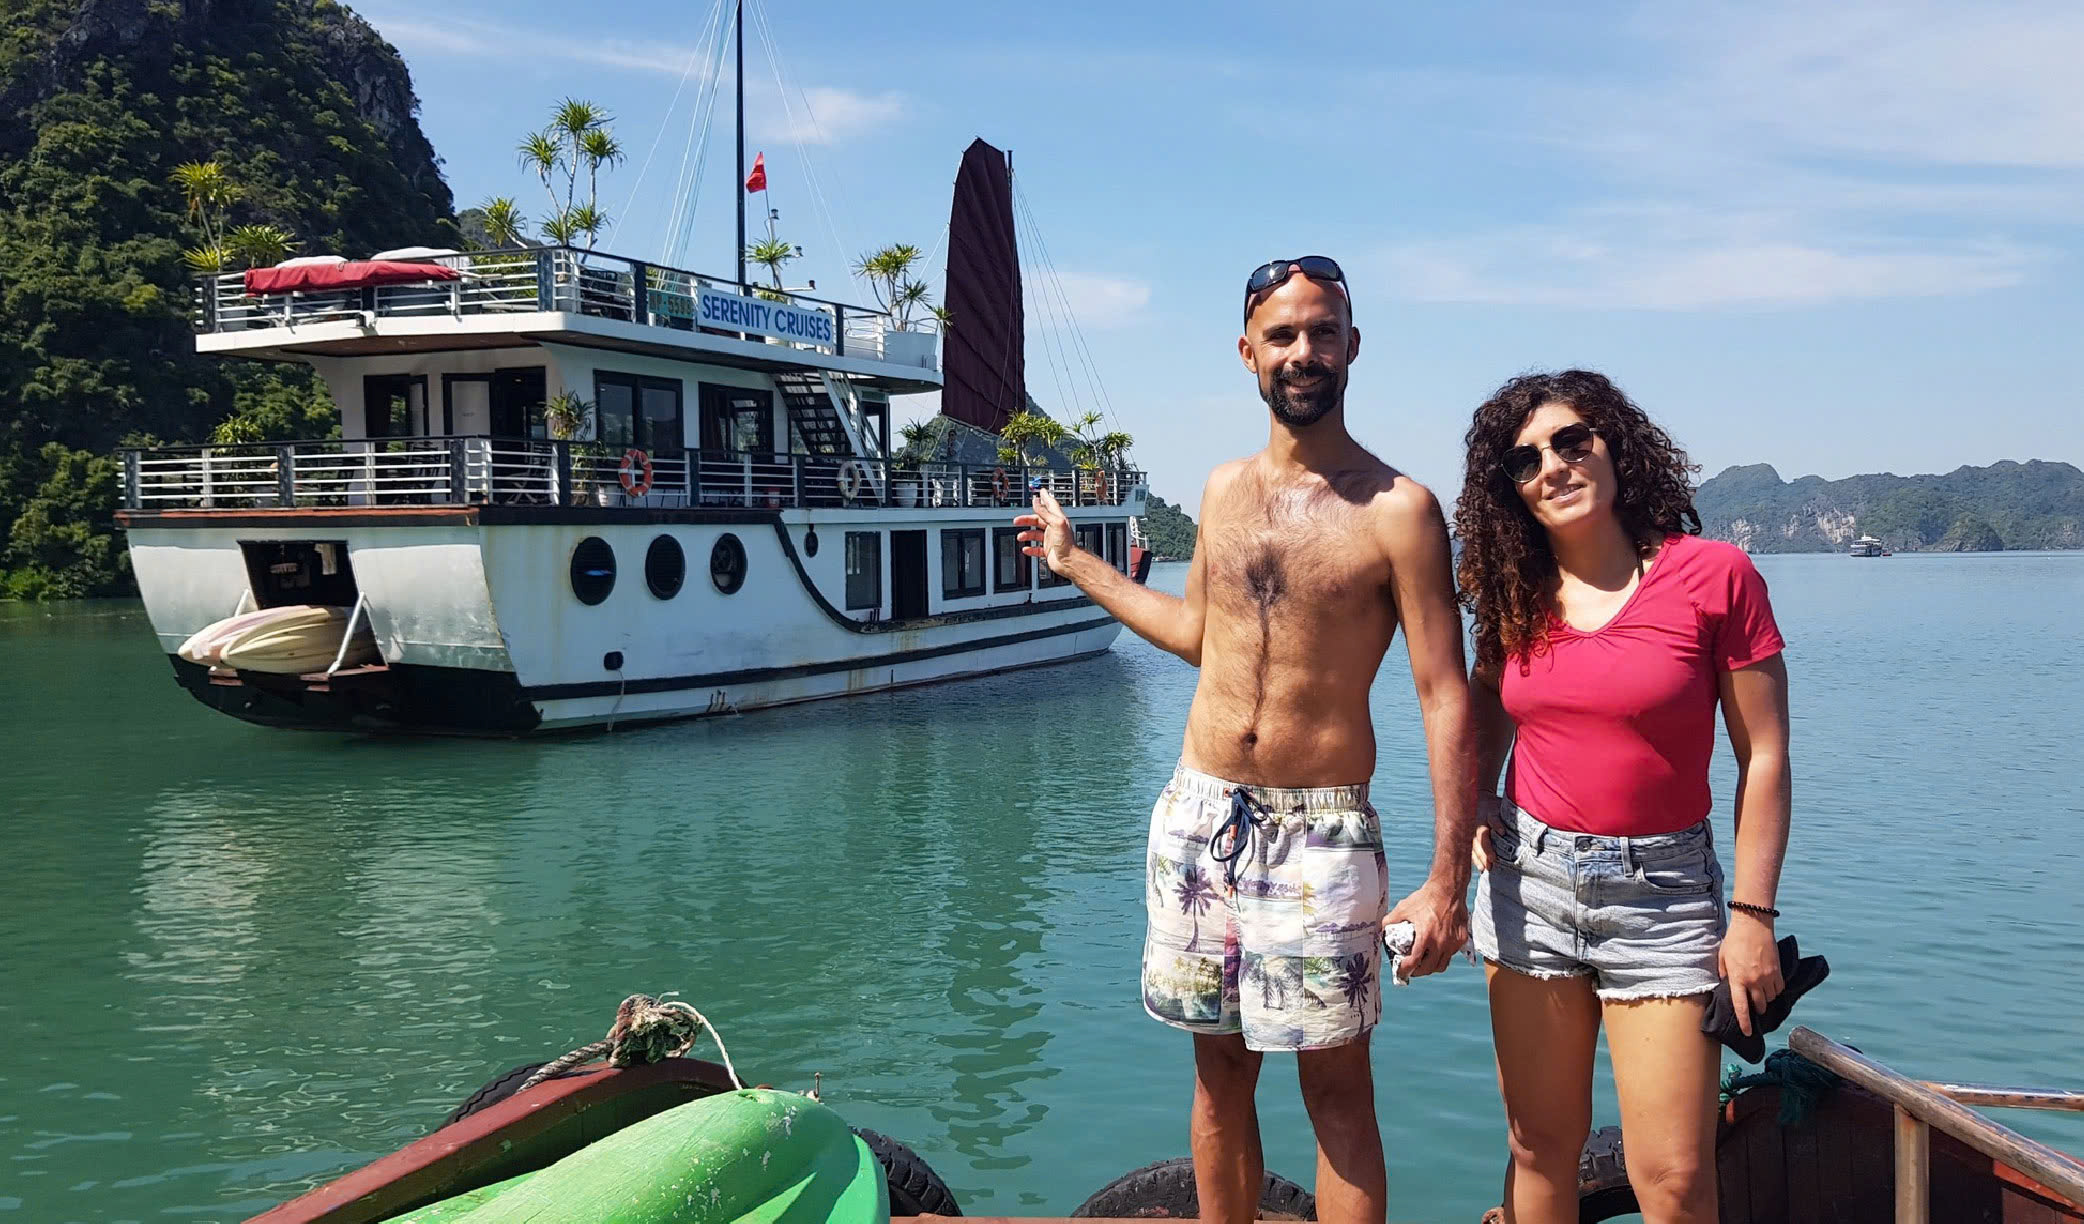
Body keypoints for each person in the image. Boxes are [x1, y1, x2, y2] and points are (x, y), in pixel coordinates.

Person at [1015, 257, 1478, 1224]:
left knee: (1336, 1092)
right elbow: (1197, 636)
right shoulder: (1223, 491)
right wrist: (1074, 564)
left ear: (1352, 347)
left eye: (1322, 332)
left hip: (1321, 835)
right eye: (1283, 335)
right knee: (1219, 1077)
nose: (1303, 352)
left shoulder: (1399, 511)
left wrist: (1447, 881)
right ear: (1247, 353)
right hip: (1200, 816)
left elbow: (1444, 695)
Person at [1454, 370, 1791, 1223]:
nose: (1553, 467)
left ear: (1617, 446)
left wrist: (1752, 916)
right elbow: (1488, 698)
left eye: (1573, 441)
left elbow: (1764, 756)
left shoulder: (1714, 577)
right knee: (1539, 1149)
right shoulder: (1516, 591)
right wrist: (1477, 797)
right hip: (1528, 884)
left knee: (1673, 1178)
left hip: (1664, 896)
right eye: (1526, 460)